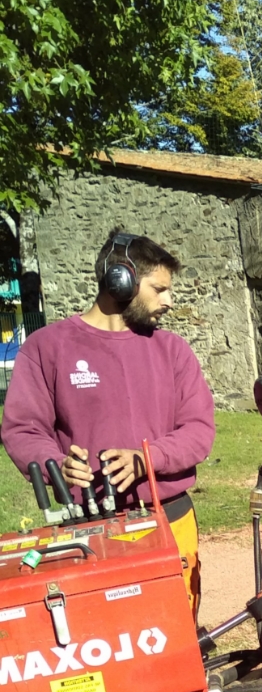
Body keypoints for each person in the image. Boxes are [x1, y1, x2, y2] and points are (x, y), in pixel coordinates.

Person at [1, 228, 215, 618]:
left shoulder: (173, 351)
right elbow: (23, 429)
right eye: (159, 289)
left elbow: (199, 430)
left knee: (177, 638)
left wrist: (147, 459)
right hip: (87, 531)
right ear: (121, 279)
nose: (169, 301)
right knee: (106, 640)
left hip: (171, 521)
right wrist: (57, 466)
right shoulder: (47, 348)